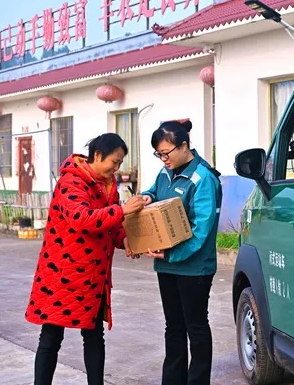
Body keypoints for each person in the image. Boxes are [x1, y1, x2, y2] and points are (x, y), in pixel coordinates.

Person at [26, 133, 145, 385]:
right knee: (51, 336)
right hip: (63, 272)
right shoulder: (71, 181)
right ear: (97, 156)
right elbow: (82, 218)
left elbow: (112, 225)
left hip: (94, 274)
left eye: (120, 163)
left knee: (94, 335)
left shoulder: (108, 183)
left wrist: (125, 240)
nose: (116, 168)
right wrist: (123, 210)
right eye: (114, 161)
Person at [141, 120, 223, 385]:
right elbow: (155, 192)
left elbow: (202, 231)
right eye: (158, 154)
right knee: (173, 327)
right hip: (167, 266)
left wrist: (171, 255)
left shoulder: (203, 178)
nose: (163, 159)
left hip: (194, 268)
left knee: (195, 327)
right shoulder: (165, 172)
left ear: (184, 146)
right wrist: (146, 197)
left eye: (166, 153)